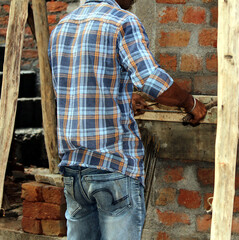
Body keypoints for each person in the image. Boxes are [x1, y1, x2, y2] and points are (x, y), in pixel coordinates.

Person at [48, 0, 207, 239]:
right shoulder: (122, 21)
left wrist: (123, 97)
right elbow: (151, 80)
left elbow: (77, 89)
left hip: (74, 170)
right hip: (112, 167)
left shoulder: (62, 26)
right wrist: (189, 102)